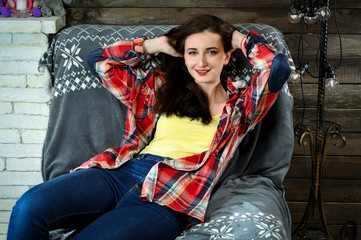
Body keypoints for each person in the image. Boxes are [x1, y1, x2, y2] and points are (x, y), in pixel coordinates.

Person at [7, 14, 291, 240]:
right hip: (122, 172)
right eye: (192, 52)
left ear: (227, 56)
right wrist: (154, 45)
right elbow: (100, 62)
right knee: (28, 208)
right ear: (183, 56)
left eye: (212, 52)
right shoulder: (161, 87)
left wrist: (234, 35)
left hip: (171, 194)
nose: (201, 62)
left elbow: (275, 65)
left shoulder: (242, 104)